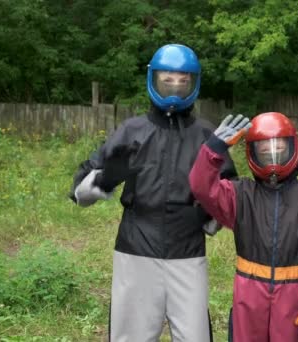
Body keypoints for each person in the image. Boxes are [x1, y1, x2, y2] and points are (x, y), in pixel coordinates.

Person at [70, 43, 237, 342]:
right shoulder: (131, 131)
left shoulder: (206, 135)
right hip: (135, 250)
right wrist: (101, 182)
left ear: (193, 83)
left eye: (182, 81)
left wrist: (210, 215)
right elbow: (79, 191)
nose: (174, 87)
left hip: (187, 253)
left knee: (195, 337)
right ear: (154, 80)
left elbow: (230, 193)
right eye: (167, 79)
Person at [189, 112, 298, 341]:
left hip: (292, 296)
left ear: (292, 148)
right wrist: (213, 149)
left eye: (279, 148)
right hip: (248, 294)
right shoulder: (239, 193)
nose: (273, 155)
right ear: (253, 153)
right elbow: (201, 186)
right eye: (264, 150)